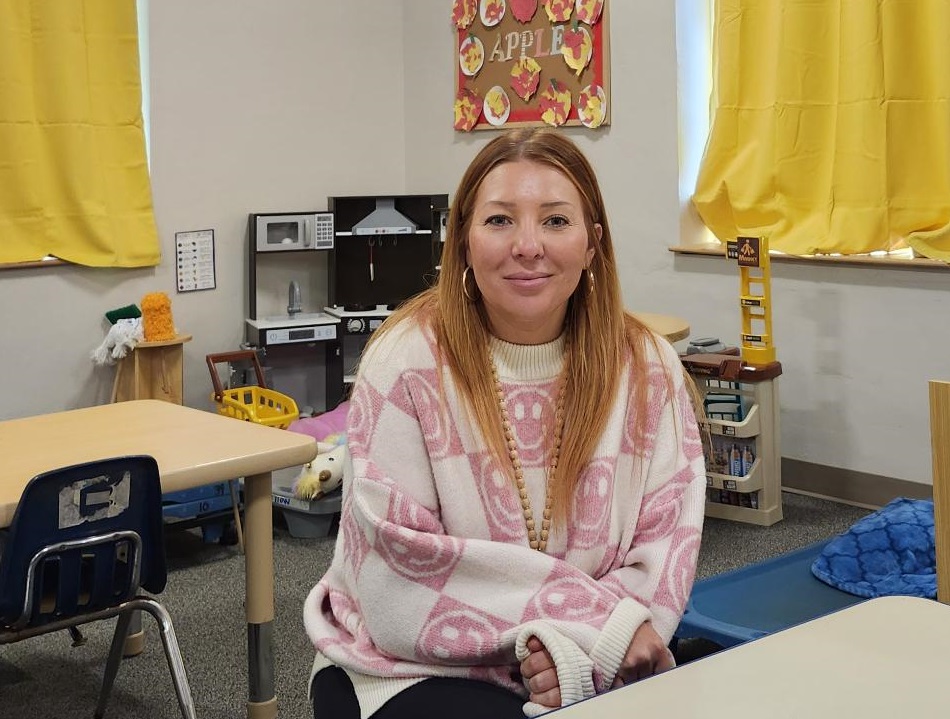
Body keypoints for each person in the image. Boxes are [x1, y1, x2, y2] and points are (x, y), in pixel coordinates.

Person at [304, 128, 707, 719]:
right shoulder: (405, 363)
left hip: (596, 656)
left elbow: (666, 546)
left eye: (555, 221)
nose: (527, 246)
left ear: (593, 243)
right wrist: (593, 629)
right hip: (413, 666)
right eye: (498, 221)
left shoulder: (648, 368)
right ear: (463, 240)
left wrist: (575, 655)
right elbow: (399, 583)